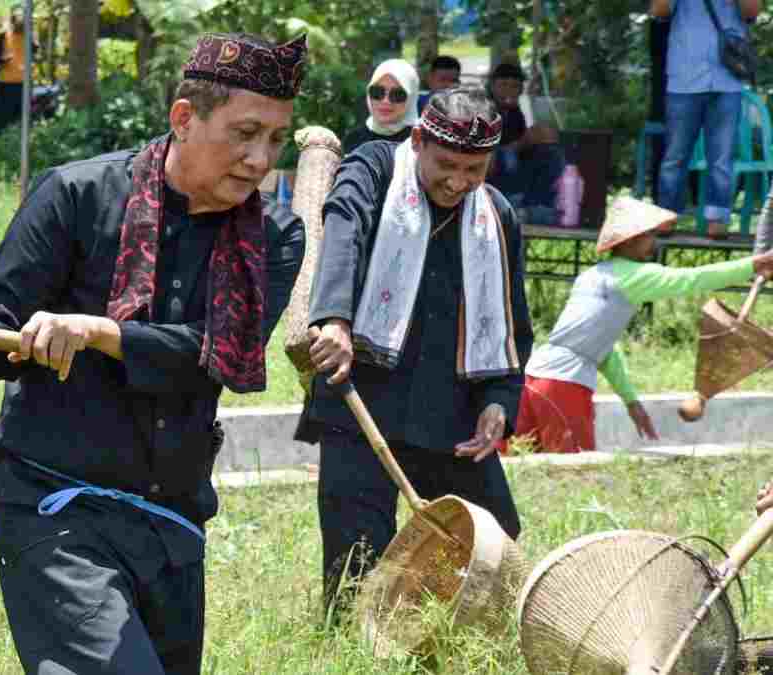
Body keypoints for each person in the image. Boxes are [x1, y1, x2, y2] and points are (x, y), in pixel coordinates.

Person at [0, 33, 308, 674]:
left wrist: (99, 331)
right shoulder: (77, 195)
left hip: (171, 520)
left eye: (275, 140)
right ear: (185, 117)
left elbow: (219, 355)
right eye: (245, 133)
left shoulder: (274, 237)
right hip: (55, 506)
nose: (260, 158)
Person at [298, 88, 533, 613]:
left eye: (475, 169)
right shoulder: (375, 168)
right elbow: (344, 229)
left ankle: (447, 643)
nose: (458, 182)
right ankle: (352, 656)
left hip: (451, 415)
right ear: (419, 139)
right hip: (360, 400)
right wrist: (333, 318)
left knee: (495, 538)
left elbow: (514, 321)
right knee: (355, 559)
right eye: (446, 164)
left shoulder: (495, 215)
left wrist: (499, 397)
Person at [513, 197, 773, 453]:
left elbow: (600, 351)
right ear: (631, 240)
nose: (654, 241)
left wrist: (631, 401)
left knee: (526, 465)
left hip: (533, 378)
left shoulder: (592, 275)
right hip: (563, 385)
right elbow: (692, 279)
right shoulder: (636, 275)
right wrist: (754, 264)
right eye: (649, 234)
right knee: (572, 472)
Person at [650, 0, 760, 239]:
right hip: (684, 76)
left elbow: (752, 11)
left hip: (727, 77)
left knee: (722, 157)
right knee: (675, 155)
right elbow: (658, 11)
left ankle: (717, 219)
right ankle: (666, 215)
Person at [485, 62, 566, 224]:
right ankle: (515, 203)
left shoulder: (515, 113)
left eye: (515, 86)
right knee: (509, 159)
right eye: (503, 85)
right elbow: (490, 155)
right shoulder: (486, 109)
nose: (509, 90)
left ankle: (539, 205)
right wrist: (522, 143)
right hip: (491, 169)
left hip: (515, 166)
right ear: (492, 86)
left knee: (548, 152)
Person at [342, 59, 420, 153]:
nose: (385, 101)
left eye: (397, 94)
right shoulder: (353, 140)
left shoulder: (421, 142)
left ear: (411, 98)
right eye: (378, 92)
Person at [0, 5, 38, 132]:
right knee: (5, 117)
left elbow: (35, 52)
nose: (20, 22)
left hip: (25, 82)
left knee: (24, 117)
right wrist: (3, 59)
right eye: (17, 19)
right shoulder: (4, 36)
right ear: (13, 20)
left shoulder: (30, 37)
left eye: (23, 19)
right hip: (6, 83)